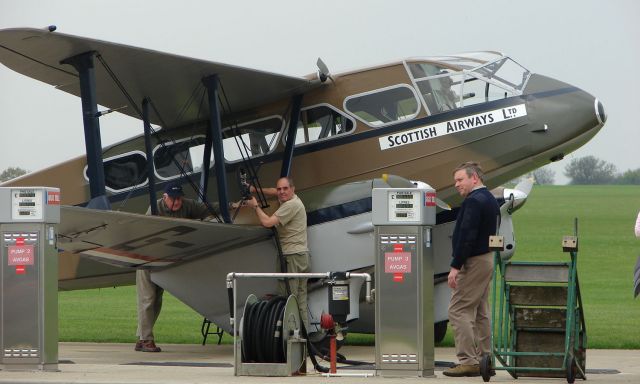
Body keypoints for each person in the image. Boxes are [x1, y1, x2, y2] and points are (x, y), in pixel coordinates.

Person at [135, 181, 235, 352]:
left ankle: (141, 338)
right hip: (147, 259)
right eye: (173, 199)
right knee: (147, 299)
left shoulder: (188, 205)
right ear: (164, 197)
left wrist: (232, 205)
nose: (177, 203)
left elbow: (207, 208)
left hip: (164, 260)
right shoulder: (154, 209)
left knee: (156, 301)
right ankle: (146, 340)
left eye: (179, 199)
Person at [443, 162, 500, 377]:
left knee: (458, 310)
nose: (456, 184)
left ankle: (468, 361)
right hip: (486, 259)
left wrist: (455, 266)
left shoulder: (474, 202)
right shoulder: (490, 199)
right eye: (456, 180)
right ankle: (486, 359)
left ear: (474, 178)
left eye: (460, 180)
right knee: (481, 312)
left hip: (474, 261)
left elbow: (467, 236)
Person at [246, 177, 310, 329]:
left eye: (285, 189)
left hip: (291, 259)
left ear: (293, 189)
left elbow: (267, 222)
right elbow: (274, 192)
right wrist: (254, 189)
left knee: (288, 300)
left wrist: (255, 207)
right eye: (279, 189)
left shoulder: (290, 206)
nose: (281, 192)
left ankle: (289, 341)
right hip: (302, 256)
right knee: (300, 301)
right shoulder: (295, 199)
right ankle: (304, 341)